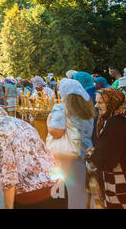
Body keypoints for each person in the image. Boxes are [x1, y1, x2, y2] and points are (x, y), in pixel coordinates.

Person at [0, 102, 68, 209]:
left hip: (32, 195)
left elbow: (8, 171)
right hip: (59, 187)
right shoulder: (22, 123)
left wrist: (9, 206)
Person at [47, 78, 96, 209]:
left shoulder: (60, 108)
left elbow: (56, 132)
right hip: (86, 151)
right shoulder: (88, 108)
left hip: (68, 154)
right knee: (86, 190)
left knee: (72, 192)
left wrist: (48, 123)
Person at [87, 88, 126, 209]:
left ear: (112, 102)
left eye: (100, 102)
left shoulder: (115, 122)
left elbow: (108, 159)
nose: (96, 105)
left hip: (120, 180)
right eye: (96, 102)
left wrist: (92, 155)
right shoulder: (125, 117)